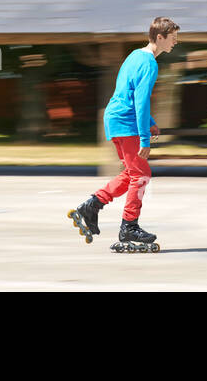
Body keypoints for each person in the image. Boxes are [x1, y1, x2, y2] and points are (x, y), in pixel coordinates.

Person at [68, 17, 179, 253]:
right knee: (142, 174)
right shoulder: (149, 63)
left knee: (131, 174)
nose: (175, 42)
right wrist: (144, 138)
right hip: (126, 122)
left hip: (114, 118)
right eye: (173, 38)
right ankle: (129, 225)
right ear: (160, 37)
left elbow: (127, 91)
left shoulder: (134, 55)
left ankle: (92, 206)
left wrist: (149, 122)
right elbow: (140, 100)